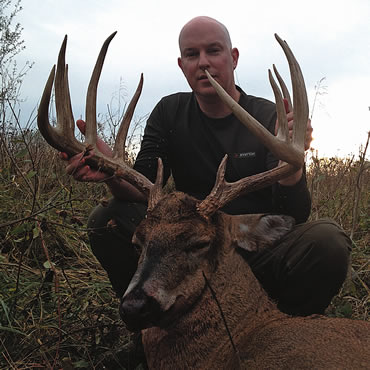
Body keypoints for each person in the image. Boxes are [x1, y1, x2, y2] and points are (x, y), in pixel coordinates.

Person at [62, 16, 351, 316]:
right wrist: (111, 170)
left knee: (326, 242)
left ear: (233, 57)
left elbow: (293, 214)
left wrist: (291, 166)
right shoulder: (168, 113)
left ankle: (279, 331)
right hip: (188, 251)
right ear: (181, 64)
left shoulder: (268, 117)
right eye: (192, 54)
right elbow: (140, 191)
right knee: (107, 220)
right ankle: (150, 331)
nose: (203, 62)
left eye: (213, 51)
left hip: (250, 242)